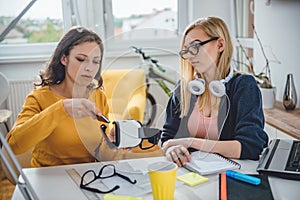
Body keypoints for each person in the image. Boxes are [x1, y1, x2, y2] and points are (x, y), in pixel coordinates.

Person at [6, 26, 162, 167]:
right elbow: (14, 144)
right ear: (64, 58)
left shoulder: (98, 96)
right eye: (81, 59)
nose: (89, 68)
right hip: (49, 178)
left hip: (86, 176)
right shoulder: (39, 98)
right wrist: (62, 108)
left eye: (96, 62)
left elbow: (101, 154)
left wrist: (113, 144)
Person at [160, 16, 268, 167]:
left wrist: (191, 142)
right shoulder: (184, 89)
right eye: (186, 50)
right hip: (190, 172)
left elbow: (251, 146)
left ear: (220, 45)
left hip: (233, 174)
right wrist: (171, 149)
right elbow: (167, 139)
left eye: (195, 46)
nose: (190, 56)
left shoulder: (244, 86)